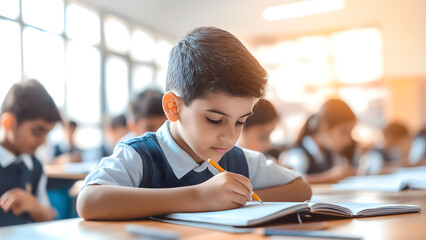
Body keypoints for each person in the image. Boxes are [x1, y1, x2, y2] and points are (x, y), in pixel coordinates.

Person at [77, 27, 311, 220]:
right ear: (173, 107)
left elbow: (301, 188)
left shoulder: (237, 159)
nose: (229, 137)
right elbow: (89, 202)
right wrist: (200, 197)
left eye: (240, 121)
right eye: (214, 120)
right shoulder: (141, 155)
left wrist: (235, 196)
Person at [0, 79, 61, 226]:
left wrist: (34, 206)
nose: (43, 141)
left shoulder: (35, 166)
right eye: (37, 131)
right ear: (8, 122)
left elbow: (49, 214)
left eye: (47, 133)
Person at [279, 99, 356, 184]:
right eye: (344, 132)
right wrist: (330, 177)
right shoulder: (297, 155)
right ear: (325, 127)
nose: (348, 140)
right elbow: (289, 181)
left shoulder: (331, 155)